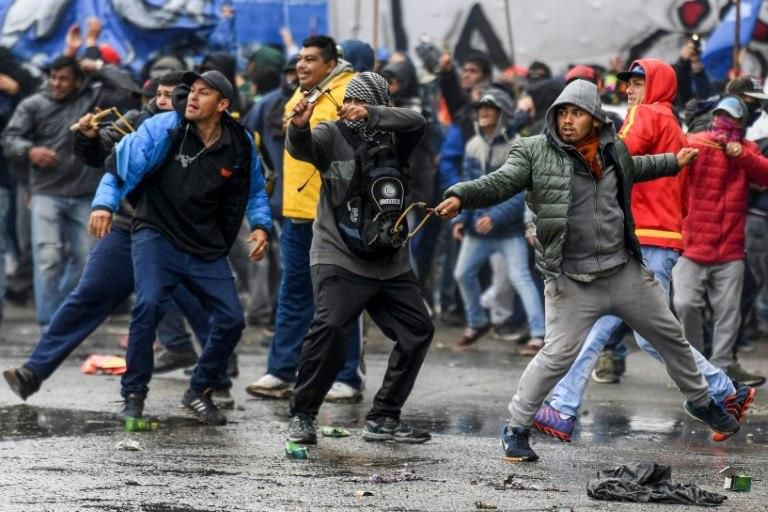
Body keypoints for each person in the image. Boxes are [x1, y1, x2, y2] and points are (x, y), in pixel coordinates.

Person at [434, 79, 740, 462]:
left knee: (671, 340)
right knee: (556, 356)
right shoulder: (533, 152)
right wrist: (461, 195)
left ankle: (701, 402)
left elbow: (638, 167)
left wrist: (671, 163)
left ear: (595, 119)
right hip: (572, 280)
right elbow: (500, 182)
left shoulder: (614, 151)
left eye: (576, 113)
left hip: (623, 272)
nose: (567, 120)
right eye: (562, 112)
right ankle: (515, 427)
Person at [532, 60, 752, 444]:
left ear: (658, 86)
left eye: (638, 83)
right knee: (602, 328)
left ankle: (725, 391)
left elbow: (611, 158)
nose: (630, 90)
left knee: (639, 334)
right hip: (653, 238)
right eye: (630, 84)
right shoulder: (671, 122)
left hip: (646, 238)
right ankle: (563, 409)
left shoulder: (647, 114)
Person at [1, 71, 219, 404]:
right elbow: (105, 161)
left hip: (178, 237)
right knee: (88, 296)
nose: (162, 101)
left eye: (170, 94)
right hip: (128, 228)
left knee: (201, 305)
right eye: (157, 94)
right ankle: (33, 372)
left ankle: (215, 378)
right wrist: (87, 138)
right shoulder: (133, 123)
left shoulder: (203, 132)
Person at [92, 70, 271, 425]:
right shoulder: (164, 128)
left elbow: (254, 188)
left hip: (205, 243)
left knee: (233, 319)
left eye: (204, 93)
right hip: (156, 233)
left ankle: (199, 390)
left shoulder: (239, 141)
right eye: (191, 91)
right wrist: (104, 204)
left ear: (222, 105)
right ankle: (134, 393)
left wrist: (262, 225)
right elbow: (118, 166)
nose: (192, 97)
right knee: (149, 304)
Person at [284, 71, 434, 445]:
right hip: (338, 254)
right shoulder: (329, 135)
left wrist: (372, 114)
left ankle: (384, 417)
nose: (351, 107)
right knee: (331, 328)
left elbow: (418, 120)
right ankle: (303, 415)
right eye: (349, 100)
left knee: (417, 331)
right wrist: (298, 127)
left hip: (390, 260)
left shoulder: (396, 135)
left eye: (362, 101)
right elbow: (300, 147)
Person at [246, 35, 365, 403]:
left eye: (310, 59)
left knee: (340, 296)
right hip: (297, 214)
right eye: (299, 58)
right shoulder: (302, 95)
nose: (301, 65)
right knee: (293, 293)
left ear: (330, 64)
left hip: (335, 214)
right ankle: (281, 371)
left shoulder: (350, 92)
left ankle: (348, 376)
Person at [674, 96, 768, 388]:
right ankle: (696, 361)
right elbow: (673, 169)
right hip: (692, 245)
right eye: (720, 116)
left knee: (728, 313)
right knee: (685, 303)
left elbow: (764, 174)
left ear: (742, 123)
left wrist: (741, 155)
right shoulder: (696, 143)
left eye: (731, 117)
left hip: (729, 249)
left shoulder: (747, 150)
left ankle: (722, 367)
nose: (723, 122)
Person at [1, 56, 102, 327]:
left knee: (86, 260)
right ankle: (49, 324)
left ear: (78, 81)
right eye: (53, 77)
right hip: (47, 192)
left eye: (64, 78)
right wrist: (30, 151)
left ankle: (61, 312)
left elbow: (124, 84)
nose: (56, 83)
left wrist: (98, 66)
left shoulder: (90, 101)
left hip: (84, 193)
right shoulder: (33, 104)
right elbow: (9, 139)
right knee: (47, 258)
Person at [450, 89, 545, 351]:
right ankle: (477, 322)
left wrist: (496, 216)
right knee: (462, 274)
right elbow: (468, 185)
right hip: (477, 230)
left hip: (508, 231)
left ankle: (539, 334)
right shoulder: (472, 146)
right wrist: (460, 218)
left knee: (520, 278)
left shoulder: (517, 146)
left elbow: (520, 192)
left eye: (490, 108)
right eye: (480, 107)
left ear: (502, 113)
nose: (483, 112)